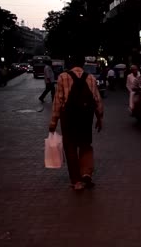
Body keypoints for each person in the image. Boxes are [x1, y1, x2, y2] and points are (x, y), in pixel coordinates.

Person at [49, 56, 104, 190]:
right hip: (86, 117)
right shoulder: (90, 78)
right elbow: (97, 100)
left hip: (69, 118)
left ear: (70, 64)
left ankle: (76, 182)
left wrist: (53, 122)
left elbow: (58, 101)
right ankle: (86, 173)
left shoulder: (63, 77)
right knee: (85, 145)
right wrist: (99, 118)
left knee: (71, 148)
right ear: (83, 64)